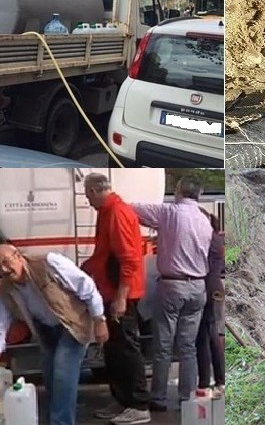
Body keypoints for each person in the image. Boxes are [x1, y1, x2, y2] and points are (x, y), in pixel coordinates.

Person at [0, 244, 109, 425]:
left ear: (18, 256)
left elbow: (86, 286)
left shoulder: (48, 262)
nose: (4, 270)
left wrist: (99, 320)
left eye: (6, 262)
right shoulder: (4, 292)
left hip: (73, 323)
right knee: (51, 378)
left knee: (63, 372)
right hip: (47, 331)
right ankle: (59, 417)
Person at [131, 176, 212, 411]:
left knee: (163, 346)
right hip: (198, 288)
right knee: (188, 347)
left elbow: (133, 210)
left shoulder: (169, 213)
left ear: (178, 192)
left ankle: (158, 398)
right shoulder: (205, 220)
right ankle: (187, 399)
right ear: (199, 194)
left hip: (172, 286)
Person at [81, 173, 151, 425]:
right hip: (110, 291)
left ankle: (139, 404)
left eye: (87, 194)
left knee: (126, 349)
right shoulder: (108, 212)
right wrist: (85, 268)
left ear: (94, 190)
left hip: (121, 293)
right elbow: (105, 255)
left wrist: (121, 298)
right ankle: (122, 400)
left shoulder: (117, 213)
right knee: (114, 350)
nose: (87, 200)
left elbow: (129, 259)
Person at [195, 212, 225, 395]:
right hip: (216, 288)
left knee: (203, 337)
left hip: (206, 287)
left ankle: (205, 382)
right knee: (213, 334)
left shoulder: (206, 239)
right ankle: (220, 380)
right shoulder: (216, 239)